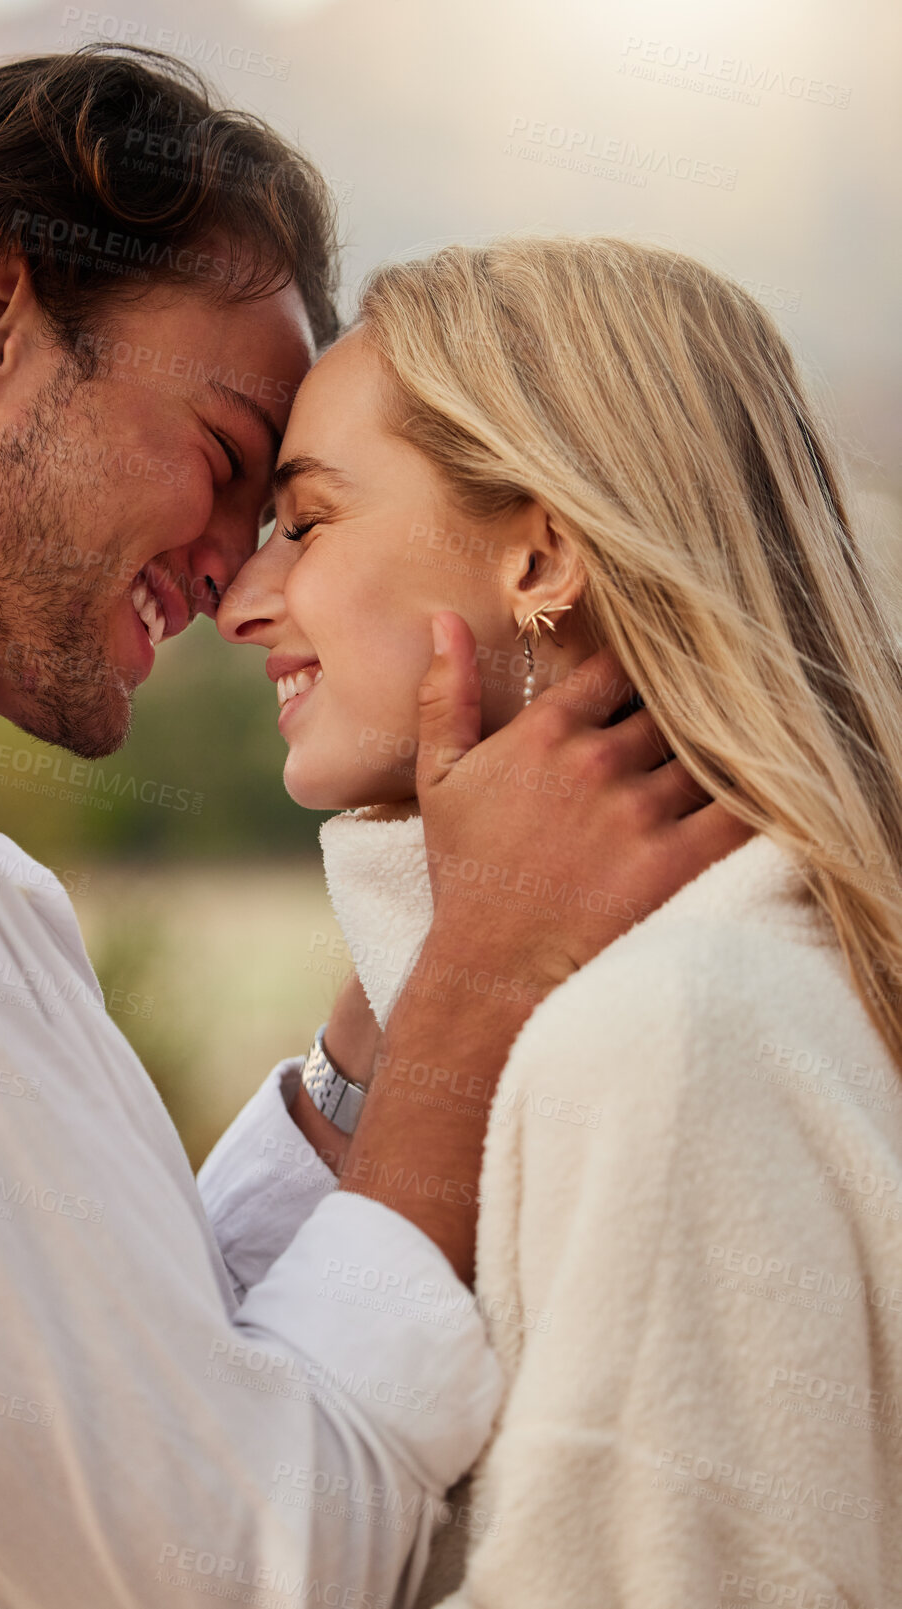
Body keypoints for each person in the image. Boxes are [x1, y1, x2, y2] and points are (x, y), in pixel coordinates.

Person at [0, 51, 747, 1609]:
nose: (244, 581)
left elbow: (158, 1378)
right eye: (235, 462)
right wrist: (483, 986)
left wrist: (380, 1038)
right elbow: (234, 1564)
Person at [217, 233, 902, 1607]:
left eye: (305, 517)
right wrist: (433, 975)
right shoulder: (702, 986)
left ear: (537, 553)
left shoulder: (665, 1034)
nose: (244, 600)